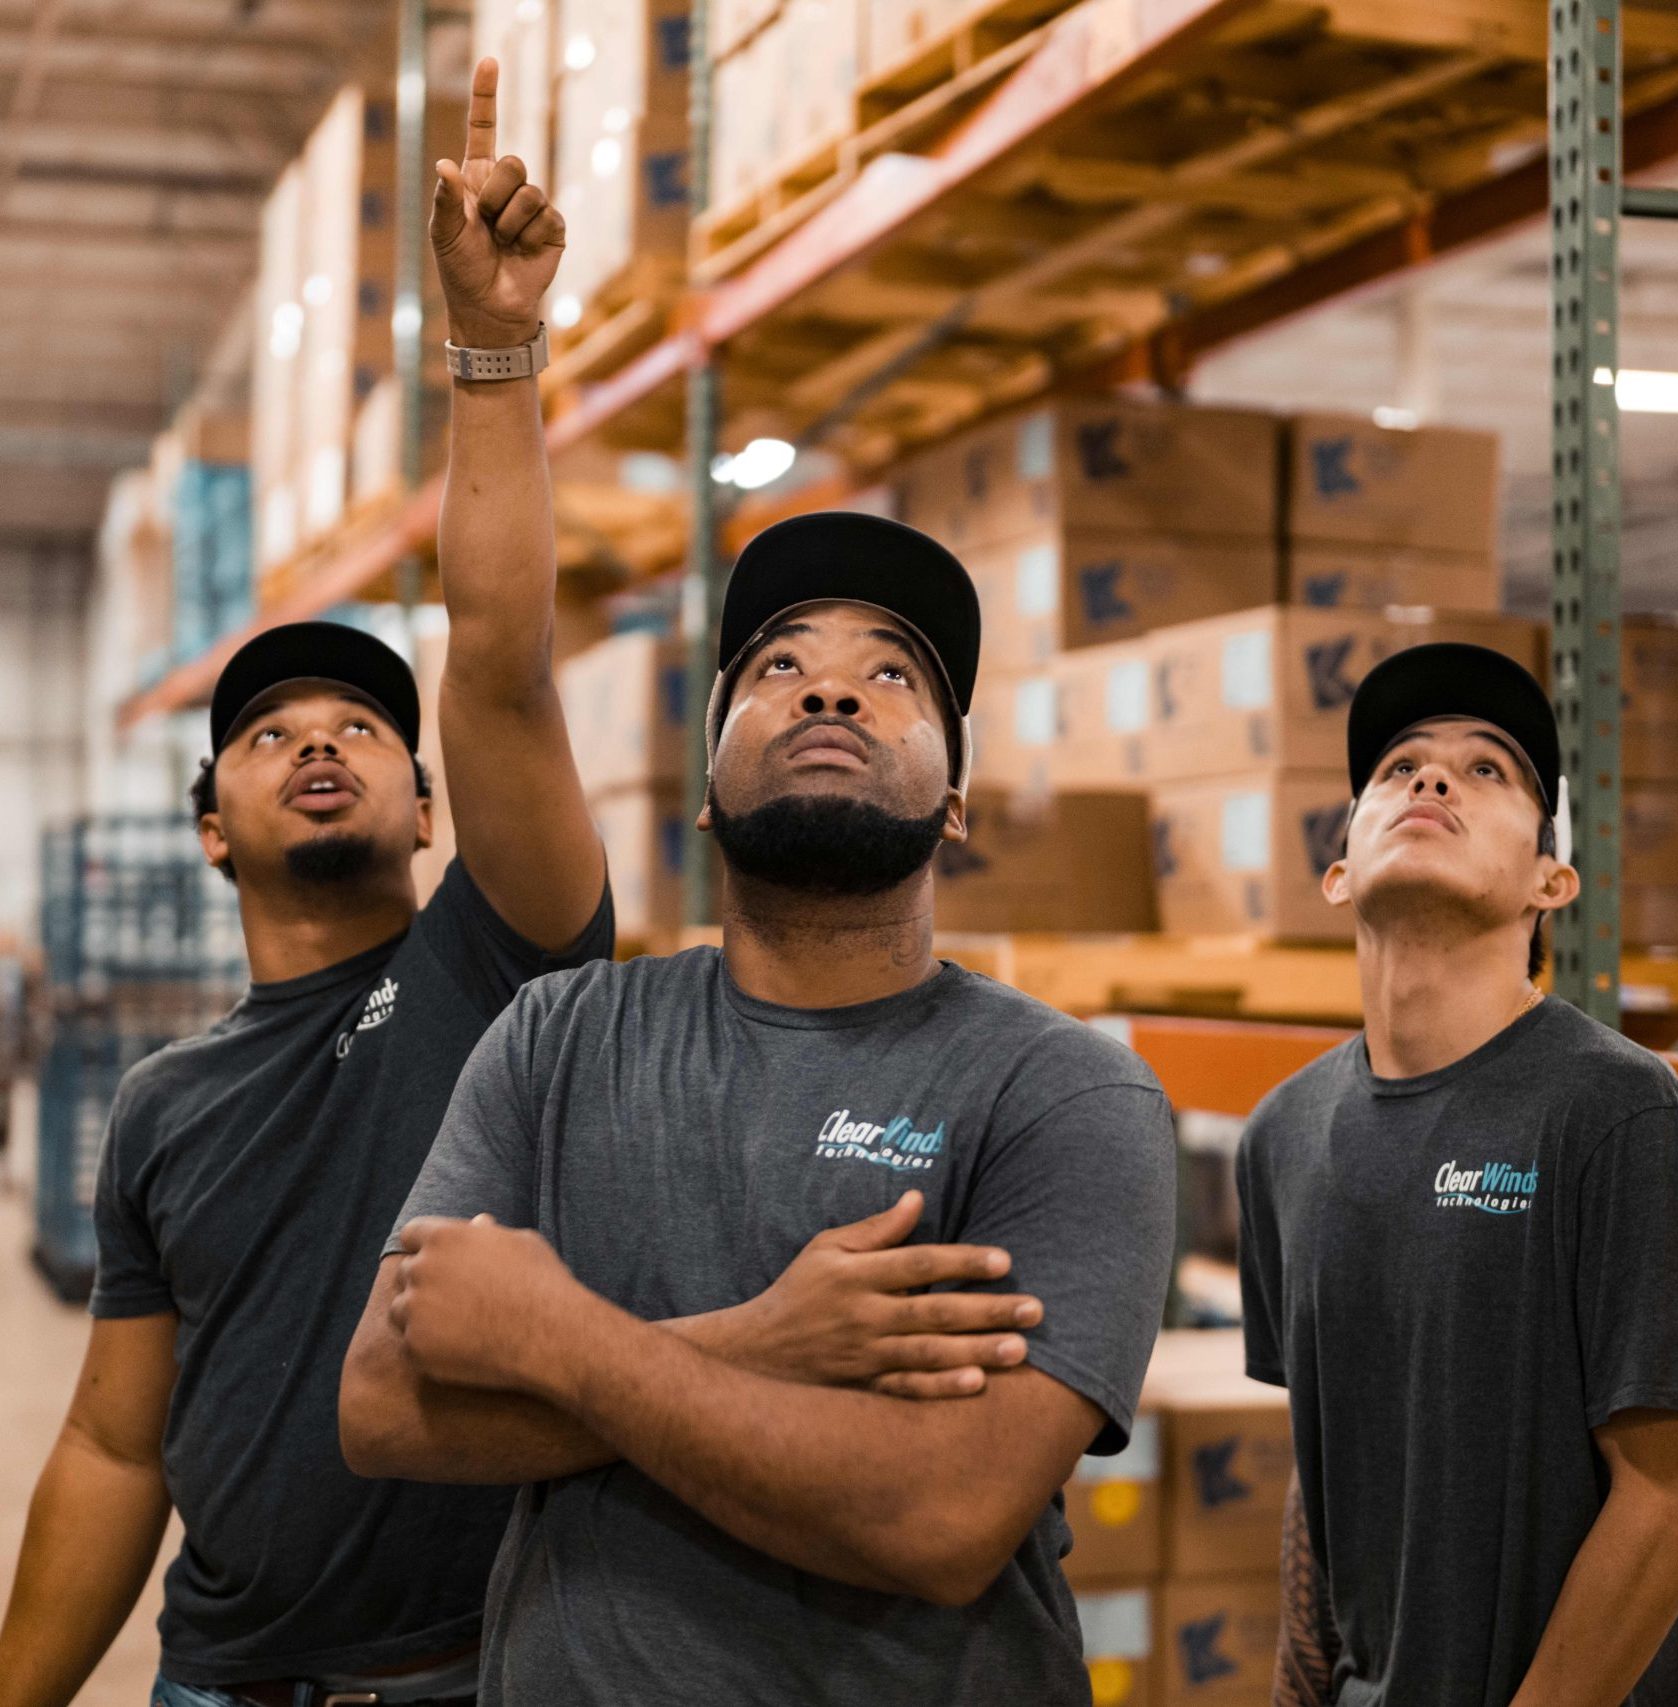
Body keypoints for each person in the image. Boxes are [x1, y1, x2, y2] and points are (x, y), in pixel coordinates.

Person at [0, 64, 1083, 1707]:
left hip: (464, 1672)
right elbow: (105, 1439)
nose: (315, 744)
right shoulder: (165, 1102)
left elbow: (499, 659)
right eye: (267, 733)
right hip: (217, 1677)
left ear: (431, 807)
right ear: (208, 825)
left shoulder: (500, 975)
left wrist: (491, 353)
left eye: (361, 726)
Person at [339, 508, 1178, 1703]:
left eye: (891, 675)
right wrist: (763, 1343)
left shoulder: (1062, 1090)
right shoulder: (560, 1035)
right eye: (781, 665)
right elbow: (381, 1406)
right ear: (704, 791)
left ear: (955, 800)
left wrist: (554, 1338)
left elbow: (943, 1515)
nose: (830, 695)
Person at [1237, 643, 1678, 1707]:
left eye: (1489, 770)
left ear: (1554, 880)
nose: (1433, 778)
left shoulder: (1615, 1112)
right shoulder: (1284, 1135)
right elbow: (1326, 1470)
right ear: (1339, 867)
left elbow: (1674, 1495)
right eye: (1399, 766)